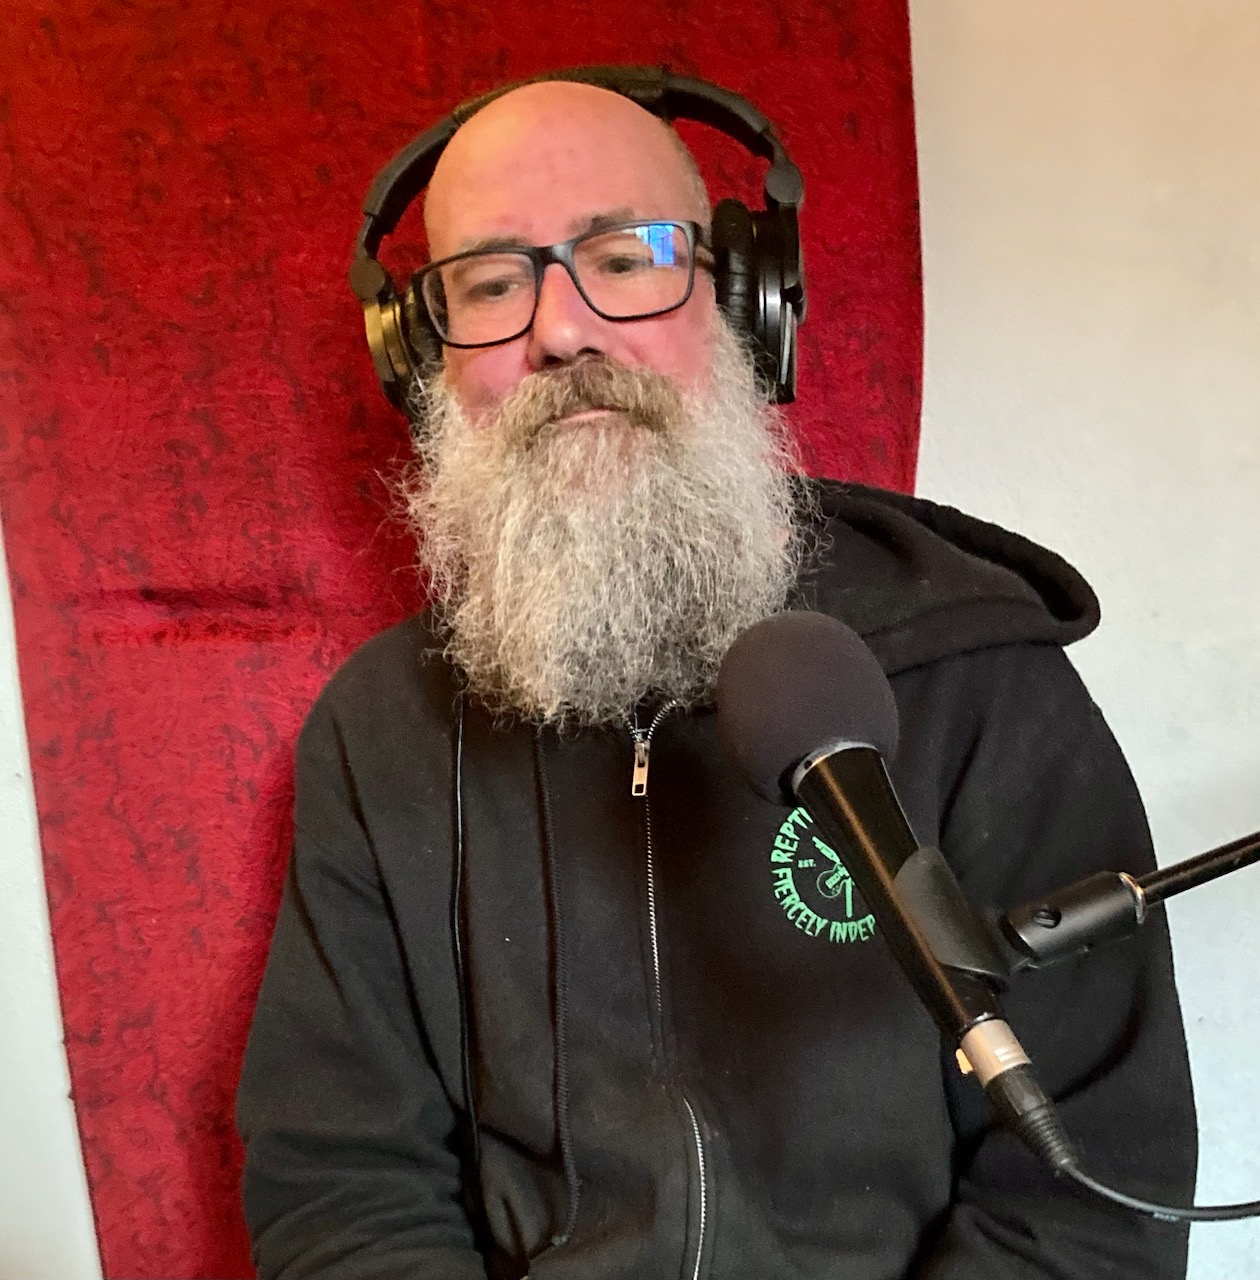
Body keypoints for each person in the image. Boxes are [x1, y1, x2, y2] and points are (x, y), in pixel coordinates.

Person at [236, 76, 1197, 1279]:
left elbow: (1091, 1201)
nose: (560, 331)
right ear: (421, 356)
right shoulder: (378, 731)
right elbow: (339, 1185)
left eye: (623, 257)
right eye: (489, 284)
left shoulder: (981, 682)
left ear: (747, 300)